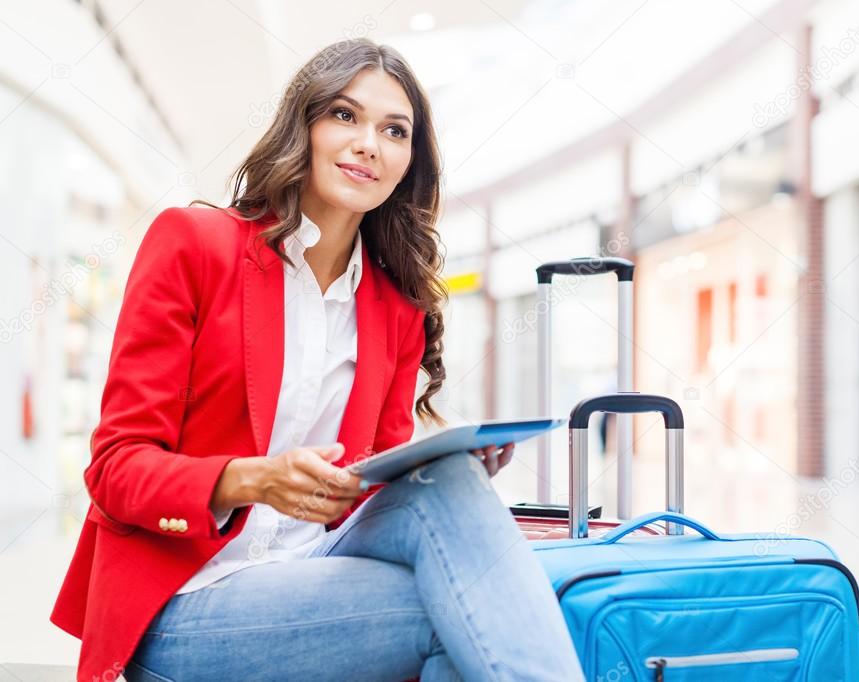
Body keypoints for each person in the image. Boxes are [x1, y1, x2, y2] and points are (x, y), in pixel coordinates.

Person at [50, 38, 584, 682]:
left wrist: (443, 467)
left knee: (449, 491)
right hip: (189, 594)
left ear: (408, 162)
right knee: (465, 612)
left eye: (394, 130)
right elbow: (116, 468)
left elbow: (361, 493)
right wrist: (248, 480)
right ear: (301, 125)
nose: (369, 144)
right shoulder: (195, 245)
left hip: (321, 568)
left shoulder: (396, 306)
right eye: (344, 115)